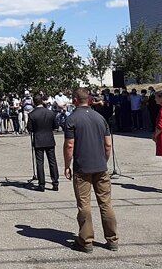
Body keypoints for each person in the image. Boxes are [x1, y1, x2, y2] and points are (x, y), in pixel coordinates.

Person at [63, 88, 118, 253]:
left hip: (82, 168)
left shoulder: (71, 119)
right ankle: (112, 239)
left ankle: (86, 241)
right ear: (89, 99)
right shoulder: (100, 118)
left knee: (84, 204)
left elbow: (69, 145)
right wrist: (104, 160)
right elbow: (108, 144)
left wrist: (67, 164)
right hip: (101, 167)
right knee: (106, 203)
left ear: (75, 100)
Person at [27, 95, 59, 192]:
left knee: (40, 163)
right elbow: (55, 126)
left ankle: (41, 184)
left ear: (34, 102)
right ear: (42, 102)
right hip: (49, 139)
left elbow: (30, 129)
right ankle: (55, 183)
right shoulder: (50, 113)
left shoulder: (32, 114)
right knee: (52, 162)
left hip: (38, 140)